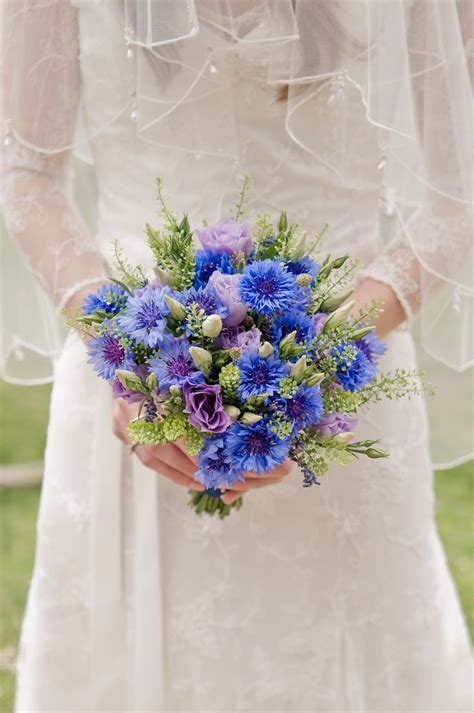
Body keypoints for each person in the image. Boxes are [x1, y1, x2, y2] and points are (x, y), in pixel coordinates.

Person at [2, 1, 472, 710]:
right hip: (132, 388)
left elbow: (458, 186)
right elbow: (28, 173)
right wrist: (133, 356)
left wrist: (317, 360)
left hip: (347, 390)